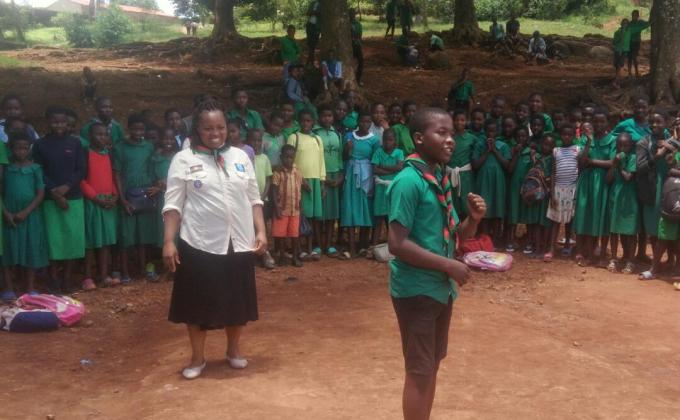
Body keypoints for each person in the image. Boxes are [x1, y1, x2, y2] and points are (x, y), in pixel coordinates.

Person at [387, 107, 486, 420]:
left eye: (451, 133)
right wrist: (448, 266)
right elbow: (396, 243)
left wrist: (474, 219)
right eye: (441, 133)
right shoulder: (408, 182)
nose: (450, 140)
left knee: (430, 366)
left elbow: (454, 237)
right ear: (419, 138)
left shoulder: (439, 179)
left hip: (440, 290)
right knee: (419, 371)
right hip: (417, 290)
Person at [163, 99, 266, 380]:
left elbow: (254, 198)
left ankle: (233, 350)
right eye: (208, 128)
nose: (216, 133)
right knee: (197, 304)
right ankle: (197, 358)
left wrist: (260, 231)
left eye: (220, 127)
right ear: (197, 129)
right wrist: (169, 241)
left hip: (239, 242)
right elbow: (173, 204)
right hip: (199, 243)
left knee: (237, 301)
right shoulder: (184, 159)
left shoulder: (240, 156)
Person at [33, 106, 86, 293]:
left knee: (72, 239)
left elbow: (81, 169)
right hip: (50, 199)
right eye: (55, 122)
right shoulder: (40, 145)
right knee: (53, 240)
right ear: (48, 122)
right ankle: (53, 279)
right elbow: (38, 170)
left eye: (62, 122)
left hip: (73, 197)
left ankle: (67, 279)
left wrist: (66, 187)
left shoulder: (75, 143)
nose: (59, 125)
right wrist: (55, 192)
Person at [113, 114, 158, 284]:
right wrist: (122, 198)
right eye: (135, 129)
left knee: (145, 237)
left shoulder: (149, 147)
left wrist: (155, 187)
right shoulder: (120, 147)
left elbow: (152, 169)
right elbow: (117, 174)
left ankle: (147, 269)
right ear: (128, 129)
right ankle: (125, 272)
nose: (138, 132)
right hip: (128, 195)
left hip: (146, 194)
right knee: (127, 237)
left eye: (142, 129)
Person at [2, 132, 47, 298]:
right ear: (11, 149)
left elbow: (40, 193)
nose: (21, 151)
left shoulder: (35, 169)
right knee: (8, 250)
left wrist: (26, 212)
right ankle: (8, 288)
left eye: (25, 148)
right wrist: (5, 212)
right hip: (9, 216)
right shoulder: (6, 169)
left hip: (30, 215)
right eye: (17, 148)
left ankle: (29, 287)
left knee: (31, 249)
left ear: (30, 149)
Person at [573, 110, 615, 266]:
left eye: (602, 121)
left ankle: (602, 255)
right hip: (586, 182)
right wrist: (589, 141)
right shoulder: (585, 139)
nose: (598, 125)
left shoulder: (612, 140)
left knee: (601, 216)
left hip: (603, 182)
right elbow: (581, 161)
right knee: (585, 215)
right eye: (595, 121)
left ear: (607, 123)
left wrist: (592, 162)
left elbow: (612, 162)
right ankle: (587, 254)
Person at [80, 123, 119, 290]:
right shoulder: (86, 154)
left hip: (108, 203)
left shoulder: (108, 154)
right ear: (90, 136)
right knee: (91, 241)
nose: (102, 137)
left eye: (105, 134)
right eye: (98, 134)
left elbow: (110, 178)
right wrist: (95, 198)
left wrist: (115, 195)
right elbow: (81, 180)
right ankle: (87, 277)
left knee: (105, 242)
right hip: (93, 203)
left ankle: (104, 275)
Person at [638, 111, 675, 279]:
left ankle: (672, 261)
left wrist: (669, 146)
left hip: (672, 188)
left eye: (659, 121)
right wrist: (656, 157)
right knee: (654, 227)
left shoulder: (673, 139)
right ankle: (657, 262)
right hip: (653, 188)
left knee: (673, 222)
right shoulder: (643, 142)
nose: (654, 125)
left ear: (666, 122)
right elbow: (640, 167)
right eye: (652, 122)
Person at [287, 110, 326, 260]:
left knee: (313, 218)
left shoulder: (317, 139)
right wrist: (300, 179)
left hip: (315, 181)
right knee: (300, 216)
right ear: (298, 122)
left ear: (313, 122)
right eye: (303, 120)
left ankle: (312, 248)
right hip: (299, 181)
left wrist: (322, 182)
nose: (306, 123)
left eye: (309, 121)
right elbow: (289, 160)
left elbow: (321, 161)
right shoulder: (294, 137)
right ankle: (299, 249)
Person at [341, 113, 380, 257]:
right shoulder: (349, 136)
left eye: (368, 122)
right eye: (362, 121)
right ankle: (352, 247)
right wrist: (348, 148)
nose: (365, 124)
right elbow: (344, 157)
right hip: (351, 174)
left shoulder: (374, 140)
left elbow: (375, 160)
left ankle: (363, 245)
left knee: (366, 208)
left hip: (366, 176)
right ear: (358, 122)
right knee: (350, 207)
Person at [472, 118, 510, 242]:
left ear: (497, 132)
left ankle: (496, 238)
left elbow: (507, 165)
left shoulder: (503, 146)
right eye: (488, 131)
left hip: (498, 180)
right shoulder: (479, 145)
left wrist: (494, 150)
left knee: (497, 207)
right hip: (483, 179)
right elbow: (475, 165)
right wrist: (487, 151)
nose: (490, 134)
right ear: (485, 131)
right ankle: (484, 237)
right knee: (484, 207)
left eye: (493, 131)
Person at [546, 123, 580, 259]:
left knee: (569, 220)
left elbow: (579, 169)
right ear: (560, 136)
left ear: (573, 136)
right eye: (564, 134)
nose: (567, 137)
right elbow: (553, 172)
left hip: (572, 189)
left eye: (569, 135)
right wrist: (552, 192)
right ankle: (551, 248)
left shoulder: (577, 149)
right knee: (555, 220)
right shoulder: (556, 150)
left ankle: (567, 245)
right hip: (558, 189)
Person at [606, 132, 638, 274]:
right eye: (620, 145)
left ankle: (630, 261)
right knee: (613, 230)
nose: (622, 148)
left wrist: (619, 165)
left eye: (626, 145)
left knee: (631, 231)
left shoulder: (633, 158)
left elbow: (628, 177)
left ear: (630, 146)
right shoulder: (615, 159)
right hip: (615, 196)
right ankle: (614, 258)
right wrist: (613, 164)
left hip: (629, 198)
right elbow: (608, 179)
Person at [314, 106, 343, 257]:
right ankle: (318, 245)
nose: (327, 118)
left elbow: (340, 157)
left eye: (330, 115)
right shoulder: (315, 133)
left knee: (332, 213)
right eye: (324, 116)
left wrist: (340, 177)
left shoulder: (337, 134)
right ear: (319, 117)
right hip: (319, 175)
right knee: (319, 214)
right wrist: (321, 178)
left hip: (334, 174)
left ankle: (329, 244)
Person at [371, 128, 404, 251]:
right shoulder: (378, 152)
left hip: (394, 188)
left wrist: (383, 166)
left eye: (390, 140)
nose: (387, 142)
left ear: (395, 141)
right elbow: (375, 169)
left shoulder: (399, 152)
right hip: (380, 188)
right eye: (385, 140)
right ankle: (374, 246)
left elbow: (400, 167)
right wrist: (392, 169)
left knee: (391, 218)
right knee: (379, 217)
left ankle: (393, 247)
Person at [271, 145, 304, 267]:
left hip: (295, 209)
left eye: (291, 157)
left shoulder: (297, 172)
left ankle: (294, 257)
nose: (289, 160)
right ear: (281, 157)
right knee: (281, 235)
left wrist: (301, 205)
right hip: (282, 209)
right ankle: (282, 256)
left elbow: (299, 190)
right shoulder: (278, 173)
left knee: (294, 235)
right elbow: (274, 191)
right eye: (286, 157)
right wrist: (276, 208)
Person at [523, 134, 555, 260]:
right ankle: (536, 248)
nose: (547, 147)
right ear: (541, 144)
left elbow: (553, 175)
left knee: (545, 223)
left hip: (546, 194)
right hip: (536, 194)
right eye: (545, 144)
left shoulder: (552, 159)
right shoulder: (537, 157)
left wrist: (551, 191)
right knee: (537, 222)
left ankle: (544, 248)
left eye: (550, 145)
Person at [248, 129, 275, 269]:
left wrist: (263, 196)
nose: (256, 143)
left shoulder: (264, 158)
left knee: (262, 226)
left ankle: (264, 253)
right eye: (253, 140)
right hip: (248, 200)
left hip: (262, 200)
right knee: (249, 227)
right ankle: (251, 254)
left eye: (259, 140)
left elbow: (269, 179)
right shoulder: (245, 158)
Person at [152, 127, 178, 251]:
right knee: (163, 224)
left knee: (176, 224)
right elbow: (151, 175)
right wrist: (158, 184)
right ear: (160, 139)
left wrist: (168, 182)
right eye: (165, 138)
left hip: (176, 196)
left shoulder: (178, 157)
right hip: (161, 197)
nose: (168, 141)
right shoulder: (156, 158)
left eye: (171, 139)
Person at [448, 109, 478, 219]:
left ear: (467, 121)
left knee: (466, 203)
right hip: (450, 174)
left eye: (462, 120)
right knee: (452, 203)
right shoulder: (449, 137)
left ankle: (467, 227)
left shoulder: (472, 138)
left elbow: (475, 155)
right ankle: (454, 227)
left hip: (466, 176)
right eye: (456, 120)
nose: (459, 122)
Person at [507, 125, 530, 252]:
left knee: (527, 212)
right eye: (519, 136)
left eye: (524, 136)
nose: (521, 139)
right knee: (513, 211)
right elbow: (510, 169)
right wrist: (516, 153)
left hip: (527, 187)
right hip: (514, 186)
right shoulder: (512, 150)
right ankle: (510, 239)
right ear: (515, 138)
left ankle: (527, 240)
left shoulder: (531, 151)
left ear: (527, 137)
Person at [627, 10, 649, 78]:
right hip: (629, 42)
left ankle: (636, 72)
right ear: (631, 15)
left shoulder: (640, 22)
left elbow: (648, 24)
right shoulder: (629, 23)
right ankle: (629, 73)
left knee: (634, 57)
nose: (634, 17)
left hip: (636, 42)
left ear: (638, 16)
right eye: (633, 15)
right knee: (629, 58)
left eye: (635, 15)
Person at [613, 19, 631, 88]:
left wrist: (649, 23)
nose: (624, 25)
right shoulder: (617, 32)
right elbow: (614, 42)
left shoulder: (629, 31)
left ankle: (616, 80)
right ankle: (617, 80)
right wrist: (620, 37)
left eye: (626, 23)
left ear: (628, 25)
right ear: (621, 24)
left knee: (620, 65)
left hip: (624, 50)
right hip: (618, 50)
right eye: (623, 23)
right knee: (617, 65)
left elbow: (638, 28)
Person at [350, 8, 365, 86]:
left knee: (361, 62)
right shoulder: (345, 23)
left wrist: (354, 35)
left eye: (353, 14)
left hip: (356, 45)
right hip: (349, 46)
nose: (351, 15)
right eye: (350, 13)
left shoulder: (358, 24)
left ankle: (358, 79)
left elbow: (359, 35)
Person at [305, 1, 321, 65]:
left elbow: (322, 14)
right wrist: (313, 13)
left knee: (313, 44)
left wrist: (315, 13)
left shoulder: (323, 4)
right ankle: (310, 61)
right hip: (310, 25)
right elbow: (307, 13)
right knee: (310, 44)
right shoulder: (313, 3)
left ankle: (310, 62)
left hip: (317, 26)